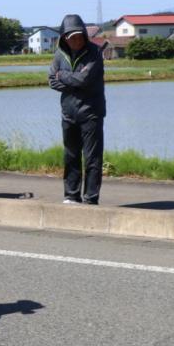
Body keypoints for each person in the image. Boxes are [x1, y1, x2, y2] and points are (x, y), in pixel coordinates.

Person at [48, 14, 106, 205]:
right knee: (71, 156)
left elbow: (85, 79)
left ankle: (90, 198)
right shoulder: (59, 55)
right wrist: (73, 81)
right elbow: (51, 81)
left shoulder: (95, 53)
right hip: (68, 114)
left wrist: (63, 75)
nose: (77, 39)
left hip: (91, 113)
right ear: (65, 37)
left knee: (92, 158)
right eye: (72, 36)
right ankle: (71, 196)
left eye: (80, 35)